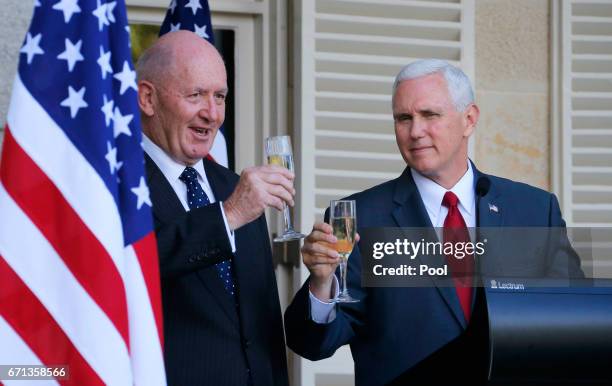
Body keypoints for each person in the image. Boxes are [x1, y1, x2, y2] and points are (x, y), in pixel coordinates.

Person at [284, 59, 583, 386]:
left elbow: (574, 319)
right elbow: (313, 344)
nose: (415, 131)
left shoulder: (535, 210)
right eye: (404, 118)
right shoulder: (361, 216)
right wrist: (322, 285)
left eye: (430, 115)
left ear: (469, 120)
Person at [136, 31, 290, 386]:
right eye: (196, 95)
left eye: (219, 96)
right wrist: (229, 216)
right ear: (147, 98)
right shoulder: (114, 186)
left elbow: (262, 319)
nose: (212, 113)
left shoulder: (235, 187)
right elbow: (132, 268)